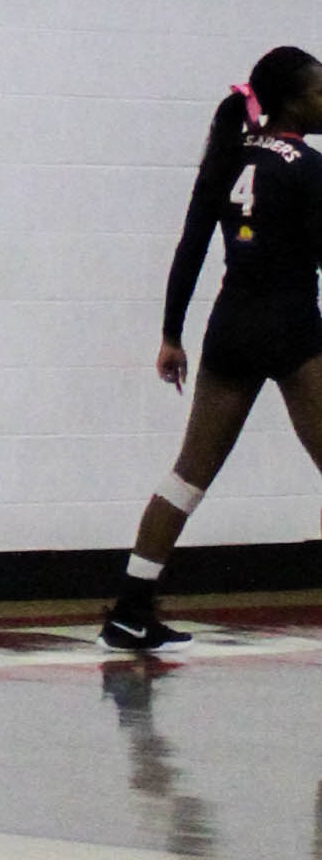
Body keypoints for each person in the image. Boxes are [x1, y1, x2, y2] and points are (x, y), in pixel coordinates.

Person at [104, 42, 322, 655]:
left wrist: (171, 333)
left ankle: (128, 612)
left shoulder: (230, 153)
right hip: (292, 331)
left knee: (187, 477)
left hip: (229, 330)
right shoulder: (307, 165)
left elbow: (193, 244)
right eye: (320, 92)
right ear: (292, 101)